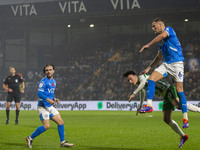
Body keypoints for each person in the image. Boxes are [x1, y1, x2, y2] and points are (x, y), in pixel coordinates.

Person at [139, 17, 189, 128]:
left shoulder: (169, 29)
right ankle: (149, 105)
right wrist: (149, 68)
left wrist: (148, 44)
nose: (153, 28)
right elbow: (159, 56)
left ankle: (185, 118)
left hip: (177, 64)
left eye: (154, 26)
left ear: (161, 25)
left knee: (179, 90)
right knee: (151, 79)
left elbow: (162, 35)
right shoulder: (161, 42)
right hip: (166, 65)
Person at [123, 70, 190, 148]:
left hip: (168, 89)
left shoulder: (141, 78)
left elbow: (143, 83)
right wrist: (141, 105)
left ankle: (198, 109)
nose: (130, 81)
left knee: (179, 105)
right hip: (165, 95)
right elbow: (142, 92)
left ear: (135, 76)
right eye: (128, 80)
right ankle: (183, 136)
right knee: (166, 119)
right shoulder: (139, 83)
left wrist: (134, 93)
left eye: (131, 79)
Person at [25, 64, 74, 148]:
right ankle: (30, 138)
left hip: (49, 106)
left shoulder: (54, 81)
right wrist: (49, 100)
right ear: (45, 72)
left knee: (60, 122)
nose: (48, 71)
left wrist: (54, 98)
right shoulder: (43, 81)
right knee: (46, 126)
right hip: (43, 106)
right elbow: (39, 93)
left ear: (53, 71)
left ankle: (63, 142)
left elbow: (50, 93)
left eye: (50, 70)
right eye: (47, 70)